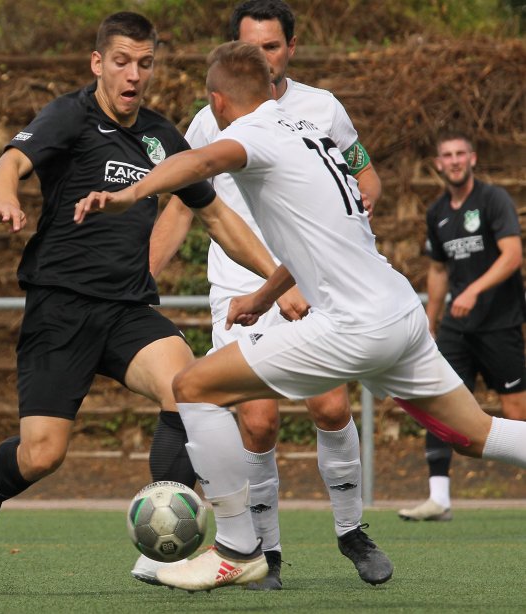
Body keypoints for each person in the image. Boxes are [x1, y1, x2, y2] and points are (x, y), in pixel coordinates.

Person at [74, 41, 526, 593]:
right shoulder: (310, 134)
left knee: (192, 386)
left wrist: (129, 194)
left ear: (217, 104)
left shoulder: (252, 134)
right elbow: (321, 236)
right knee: (475, 433)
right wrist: (266, 295)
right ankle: (270, 542)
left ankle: (239, 548)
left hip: (353, 326)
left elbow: (202, 161)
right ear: (268, 87)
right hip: (398, 312)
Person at [0, 12, 287, 568]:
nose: (134, 74)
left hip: (129, 308)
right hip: (60, 307)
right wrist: (7, 197)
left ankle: (169, 549)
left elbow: (219, 219)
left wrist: (279, 282)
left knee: (190, 386)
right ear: (98, 63)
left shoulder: (162, 137)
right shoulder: (70, 116)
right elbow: (7, 164)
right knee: (41, 455)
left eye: (145, 63)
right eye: (122, 62)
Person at [142, 0, 391, 590]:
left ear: (292, 48)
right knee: (257, 425)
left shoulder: (322, 108)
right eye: (253, 49)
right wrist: (138, 280)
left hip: (311, 281)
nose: (265, 59)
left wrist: (358, 209)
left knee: (331, 407)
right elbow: (183, 205)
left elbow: (365, 172)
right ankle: (267, 555)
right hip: (240, 288)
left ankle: (351, 531)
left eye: (273, 47)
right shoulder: (211, 120)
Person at [398, 131, 526, 521]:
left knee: (516, 411)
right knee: (439, 402)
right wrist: (429, 324)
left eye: (460, 154)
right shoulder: (437, 211)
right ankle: (439, 499)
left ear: (472, 159)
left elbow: (512, 256)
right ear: (438, 164)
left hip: (499, 323)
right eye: (446, 156)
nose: (453, 161)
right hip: (456, 327)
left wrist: (473, 289)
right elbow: (437, 271)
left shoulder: (493, 200)